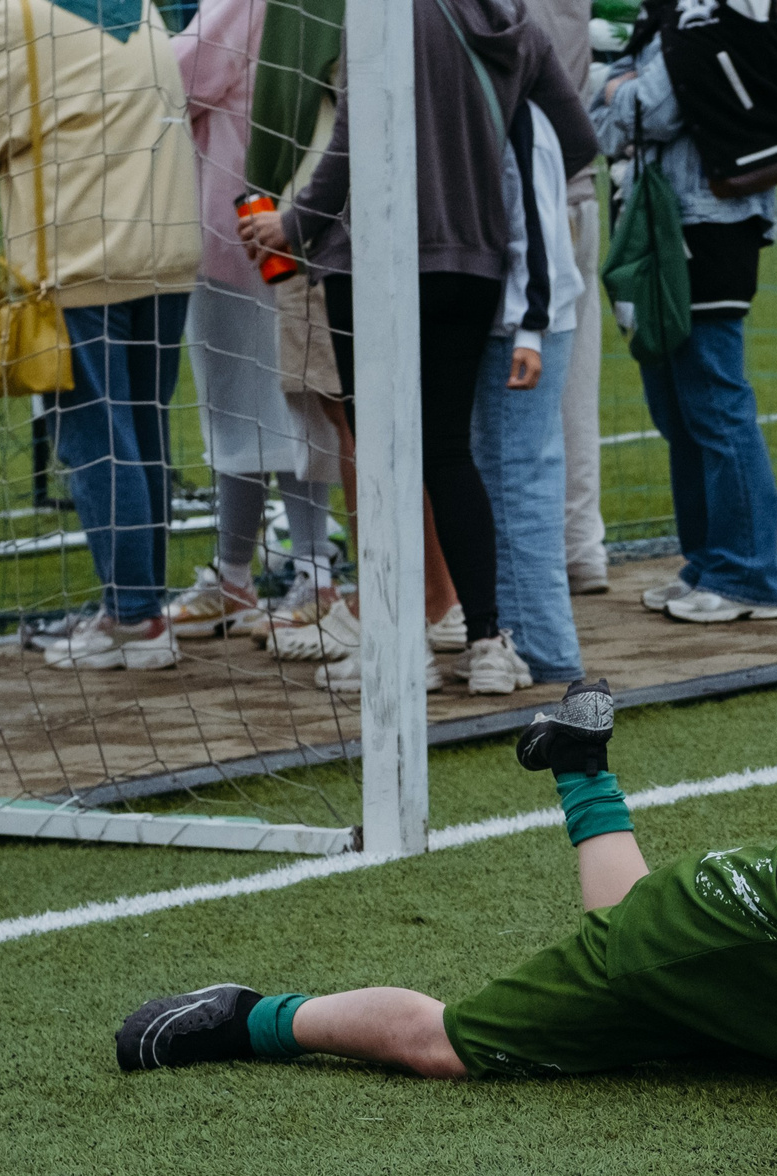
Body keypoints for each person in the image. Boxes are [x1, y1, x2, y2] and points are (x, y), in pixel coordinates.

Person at [116, 702, 777, 1099]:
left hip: (710, 917)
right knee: (457, 1044)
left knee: (630, 914)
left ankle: (582, 766)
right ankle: (248, 1017)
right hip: (680, 952)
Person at [245, 0, 592, 695]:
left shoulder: (381, 12)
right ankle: (488, 641)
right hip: (471, 261)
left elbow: (350, 141)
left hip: (371, 261)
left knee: (382, 460)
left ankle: (397, 642)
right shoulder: (512, 16)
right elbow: (575, 135)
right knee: (447, 452)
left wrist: (296, 224)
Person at [0, 0, 204, 671]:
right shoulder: (147, 9)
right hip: (165, 250)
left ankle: (134, 616)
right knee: (143, 431)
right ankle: (141, 607)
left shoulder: (18, 17)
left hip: (80, 256)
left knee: (96, 437)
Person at [592, 7, 777, 624]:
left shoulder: (710, 13)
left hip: (711, 225)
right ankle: (708, 562)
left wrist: (611, 85)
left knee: (712, 398)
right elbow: (609, 118)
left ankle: (750, 576)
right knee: (675, 403)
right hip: (663, 223)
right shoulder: (666, 18)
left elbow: (641, 111)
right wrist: (616, 87)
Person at [163, 0, 344, 645]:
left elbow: (175, 75)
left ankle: (314, 574)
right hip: (281, 219)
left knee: (279, 401)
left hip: (248, 223)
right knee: (249, 406)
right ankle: (238, 573)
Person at [472, 89, 593, 685]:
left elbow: (541, 233)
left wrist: (530, 328)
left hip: (522, 324)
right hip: (508, 319)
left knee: (520, 478)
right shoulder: (495, 107)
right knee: (505, 474)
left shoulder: (519, 116)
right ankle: (521, 635)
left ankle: (543, 648)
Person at [517, 0, 611, 596]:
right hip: (575, 196)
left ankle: (540, 559)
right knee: (575, 386)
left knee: (522, 398)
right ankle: (580, 548)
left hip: (533, 199)